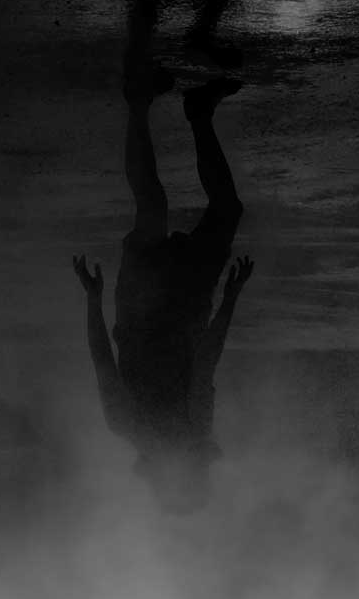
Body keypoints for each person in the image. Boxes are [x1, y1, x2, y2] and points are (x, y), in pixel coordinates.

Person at [73, 64, 252, 513]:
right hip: (151, 305)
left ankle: (178, 108)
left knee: (202, 208)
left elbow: (207, 356)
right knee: (158, 206)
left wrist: (230, 302)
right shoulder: (129, 427)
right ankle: (175, 108)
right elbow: (101, 358)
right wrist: (94, 301)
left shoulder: (181, 429)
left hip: (164, 303)